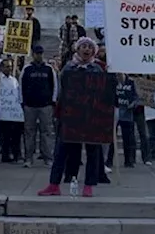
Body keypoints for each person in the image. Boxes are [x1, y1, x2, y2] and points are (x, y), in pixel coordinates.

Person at [39, 37, 109, 197]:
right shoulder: (68, 68)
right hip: (70, 116)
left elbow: (103, 93)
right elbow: (62, 91)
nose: (86, 49)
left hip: (91, 117)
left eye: (89, 47)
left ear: (93, 51)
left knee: (92, 151)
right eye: (83, 46)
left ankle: (89, 185)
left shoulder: (98, 70)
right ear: (77, 49)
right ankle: (54, 184)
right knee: (61, 150)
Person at [19, 44, 57, 168]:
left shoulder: (49, 69)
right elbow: (21, 85)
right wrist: (22, 101)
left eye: (40, 53)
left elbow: (54, 85)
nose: (39, 55)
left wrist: (53, 101)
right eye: (36, 53)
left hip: (45, 105)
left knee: (46, 132)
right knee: (29, 132)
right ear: (33, 54)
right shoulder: (27, 69)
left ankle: (48, 157)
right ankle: (28, 158)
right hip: (29, 105)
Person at [0, 57, 24, 164]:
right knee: (5, 136)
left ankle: (16, 154)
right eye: (7, 66)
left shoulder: (14, 80)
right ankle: (5, 155)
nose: (9, 68)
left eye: (11, 67)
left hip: (13, 113)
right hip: (3, 112)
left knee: (15, 135)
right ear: (2, 67)